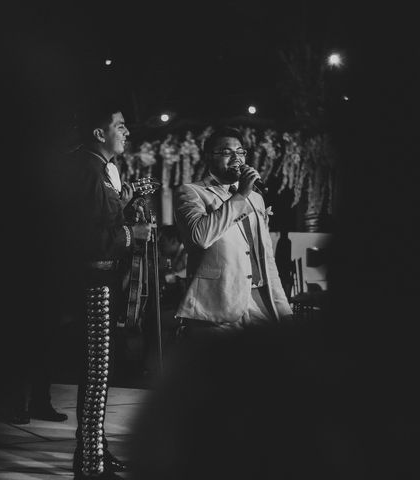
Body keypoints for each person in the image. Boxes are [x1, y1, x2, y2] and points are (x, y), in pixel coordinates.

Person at [58, 99, 154, 480]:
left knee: (101, 370)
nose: (127, 132)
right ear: (100, 133)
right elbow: (88, 237)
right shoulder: (85, 168)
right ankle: (89, 463)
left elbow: (100, 214)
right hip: (91, 281)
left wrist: (125, 197)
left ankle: (95, 449)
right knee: (96, 371)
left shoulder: (95, 166)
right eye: (120, 125)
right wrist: (136, 233)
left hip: (100, 279)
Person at [172, 127, 292, 341]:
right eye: (227, 152)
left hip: (260, 302)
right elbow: (200, 237)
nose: (237, 158)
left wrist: (284, 310)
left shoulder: (256, 199)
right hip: (217, 304)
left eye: (241, 151)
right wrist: (241, 195)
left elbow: (266, 258)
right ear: (209, 156)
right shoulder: (190, 192)